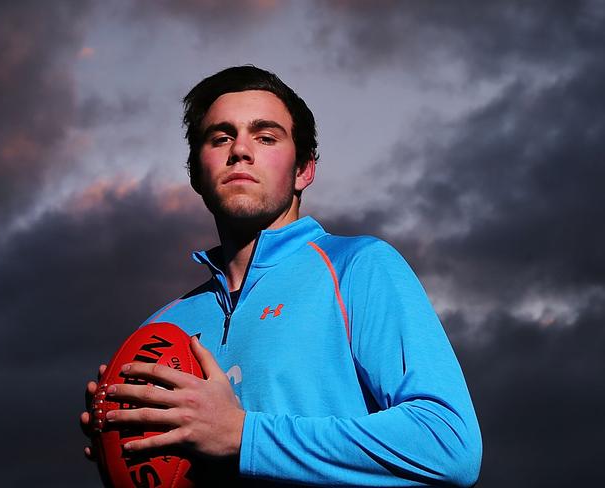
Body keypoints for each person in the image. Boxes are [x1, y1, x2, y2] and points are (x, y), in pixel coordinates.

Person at [81, 65, 482, 487]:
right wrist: (123, 447)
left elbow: (448, 444)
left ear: (304, 169)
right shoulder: (162, 326)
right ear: (196, 173)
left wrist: (241, 434)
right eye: (220, 138)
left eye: (266, 137)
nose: (240, 150)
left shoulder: (358, 266)